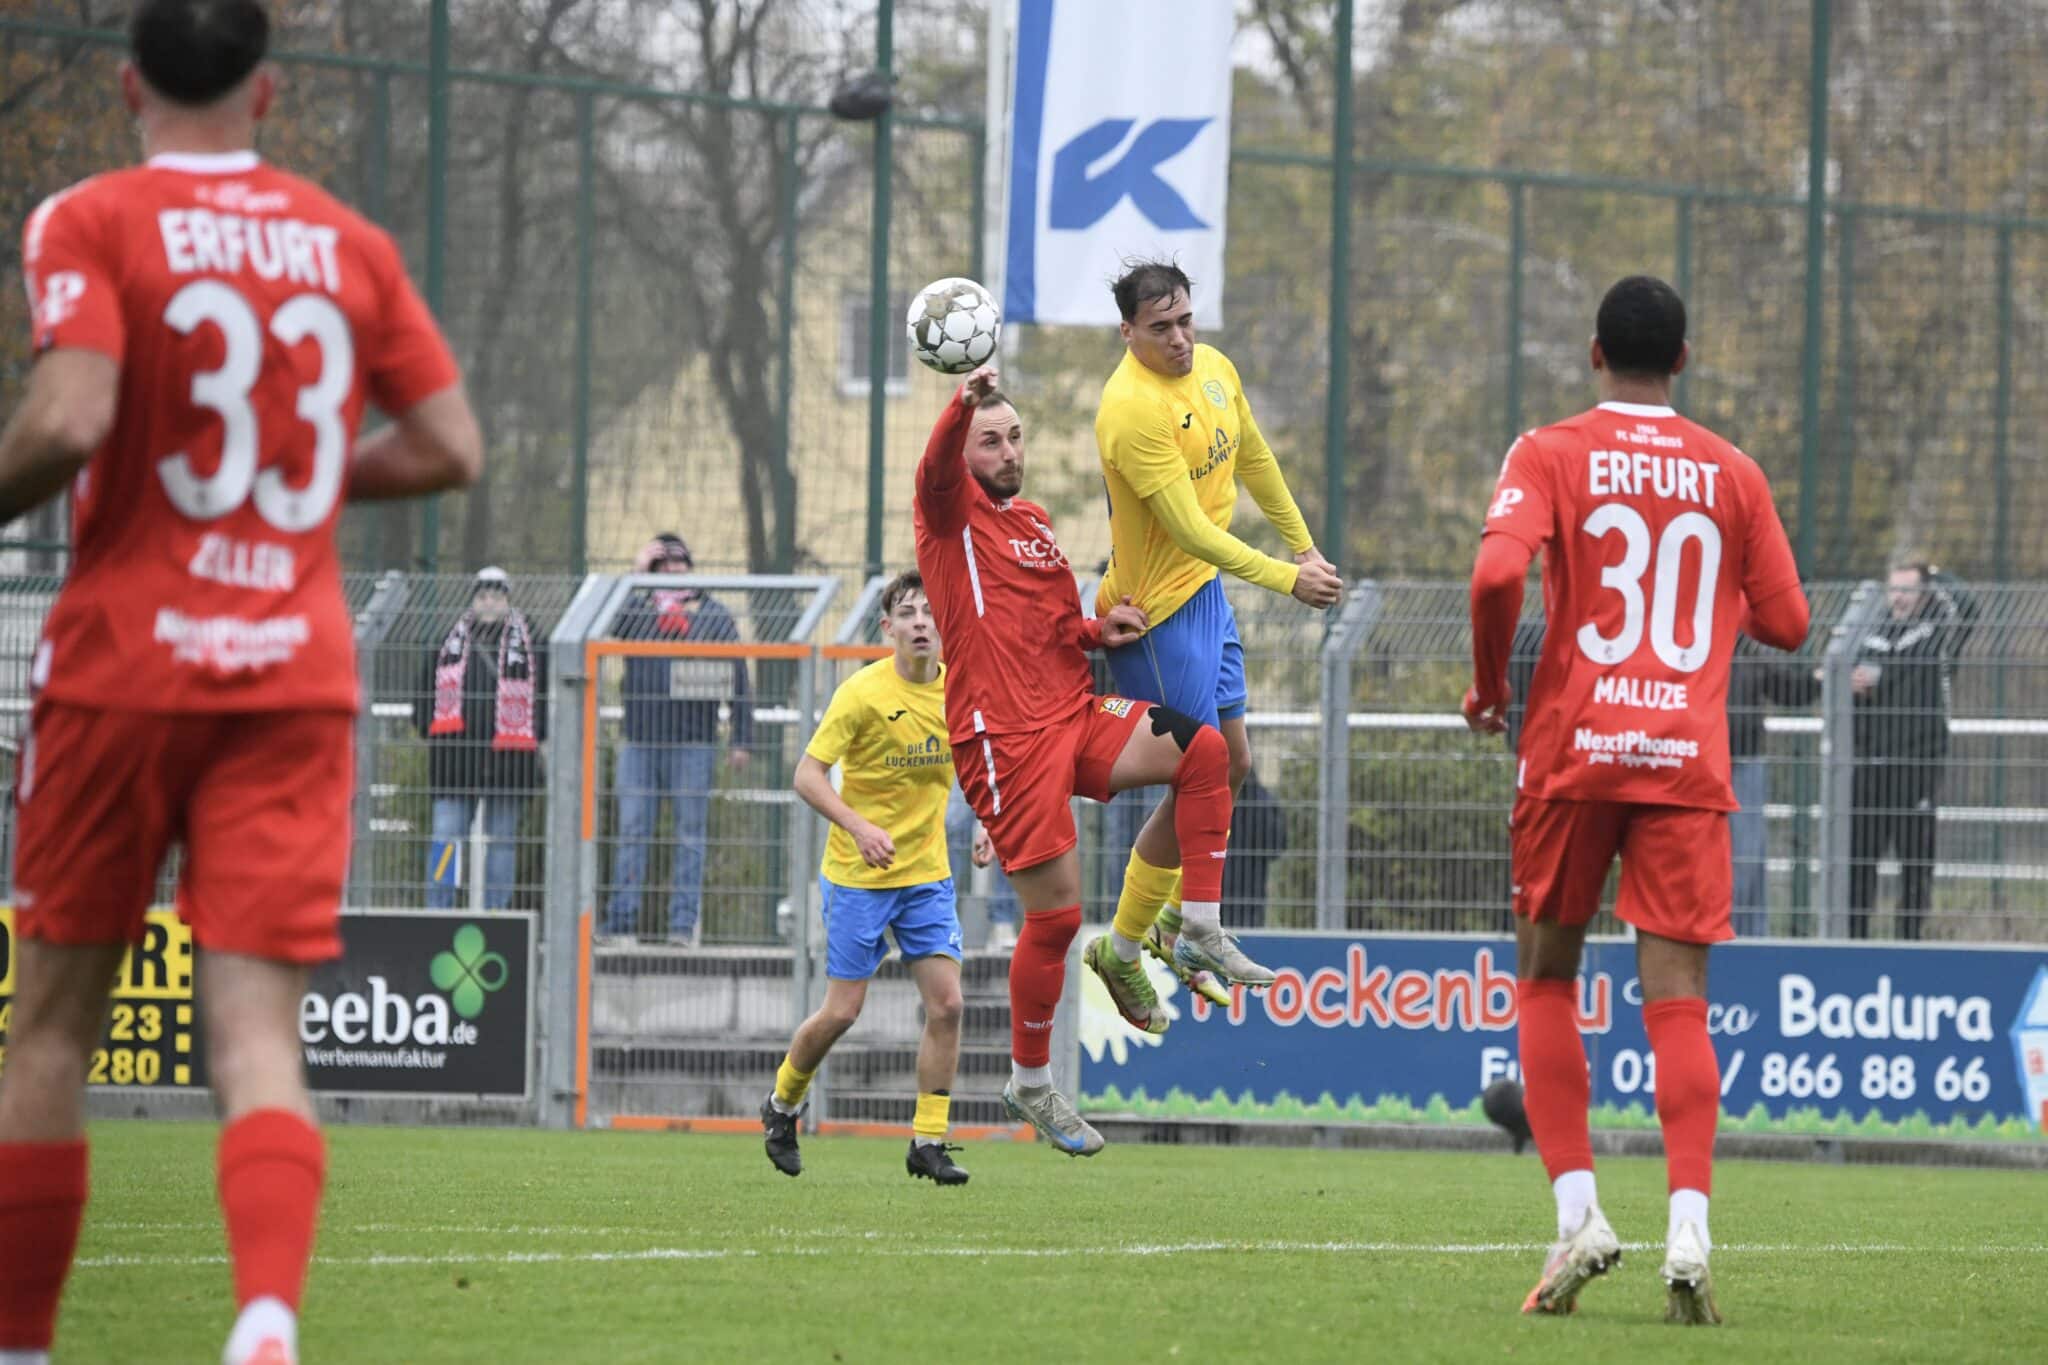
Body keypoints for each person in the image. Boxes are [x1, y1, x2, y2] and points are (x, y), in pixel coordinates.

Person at [0, 5, 481, 1363]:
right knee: (259, 1027)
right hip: (290, 669)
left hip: (122, 665)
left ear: (125, 82)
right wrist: (305, 482)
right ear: (269, 92)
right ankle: (264, 1318)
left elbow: (73, 414)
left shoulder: (89, 218)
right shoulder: (348, 244)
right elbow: (449, 442)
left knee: (51, 1024)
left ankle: (22, 1345)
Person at [1463, 276, 1808, 1325]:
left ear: (1590, 351)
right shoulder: (1731, 471)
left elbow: (1492, 579)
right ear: (1685, 359)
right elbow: (1789, 626)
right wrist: (1705, 612)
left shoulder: (1549, 451)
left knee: (1543, 981)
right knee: (1677, 1005)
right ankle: (1690, 1235)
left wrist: (1489, 687)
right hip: (1682, 763)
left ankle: (1578, 1216)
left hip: (1575, 752)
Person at [914, 365, 1264, 1157]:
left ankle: (1199, 925)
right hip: (1005, 741)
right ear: (963, 451)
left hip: (1073, 712)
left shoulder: (1031, 521)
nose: (1008, 452)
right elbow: (933, 470)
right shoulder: (949, 518)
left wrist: (1091, 632)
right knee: (1059, 918)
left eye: (1015, 437)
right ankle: (1032, 1083)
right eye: (990, 440)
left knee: (1205, 753)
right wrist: (957, 406)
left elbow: (1042, 618)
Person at [1092, 260, 1343, 1004]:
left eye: (1186, 321)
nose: (1179, 339)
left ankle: (1172, 923)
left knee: (1231, 762)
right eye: (1161, 327)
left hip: (1205, 598)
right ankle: (1132, 941)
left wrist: (1304, 546)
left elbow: (1256, 457)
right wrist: (1286, 578)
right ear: (1128, 330)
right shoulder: (1129, 410)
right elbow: (1192, 531)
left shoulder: (1214, 368)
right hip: (1155, 617)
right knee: (1198, 769)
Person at [760, 571, 985, 1185]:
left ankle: (928, 1140)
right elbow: (807, 776)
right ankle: (782, 1105)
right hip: (859, 876)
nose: (920, 624)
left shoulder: (961, 690)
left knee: (948, 1004)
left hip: (926, 876)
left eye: (930, 614)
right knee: (842, 1012)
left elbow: (981, 764)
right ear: (887, 628)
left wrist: (993, 822)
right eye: (908, 614)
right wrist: (859, 827)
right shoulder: (860, 694)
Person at [603, 532, 752, 944]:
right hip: (639, 741)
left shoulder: (712, 613)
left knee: (690, 836)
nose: (670, 570)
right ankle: (621, 925)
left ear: (690, 565)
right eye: (660, 564)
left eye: (677, 562)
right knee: (632, 831)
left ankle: (682, 928)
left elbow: (738, 676)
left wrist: (742, 737)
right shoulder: (638, 609)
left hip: (694, 742)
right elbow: (609, 623)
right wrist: (635, 575)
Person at [1848, 560, 1974, 940]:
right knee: (1859, 860)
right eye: (1894, 589)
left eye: (1908, 590)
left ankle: (1909, 942)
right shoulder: (1868, 631)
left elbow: (1968, 606)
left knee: (1915, 862)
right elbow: (1837, 670)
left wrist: (1935, 574)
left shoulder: (1938, 631)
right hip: (1869, 765)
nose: (1899, 598)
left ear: (1925, 594)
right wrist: (1848, 684)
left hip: (1917, 766)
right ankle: (1852, 940)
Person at [414, 566, 545, 910]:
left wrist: (531, 735)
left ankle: (496, 913)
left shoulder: (533, 642)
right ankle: (438, 910)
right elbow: (422, 698)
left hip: (510, 762)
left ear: (508, 599)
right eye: (483, 595)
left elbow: (546, 699)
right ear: (473, 599)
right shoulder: (448, 641)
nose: (489, 602)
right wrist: (437, 734)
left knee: (502, 842)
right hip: (454, 763)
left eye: (497, 595)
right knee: (446, 839)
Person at [1726, 636, 1819, 936]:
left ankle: (1749, 938)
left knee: (1748, 856)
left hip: (1745, 761)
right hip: (1698, 764)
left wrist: (1821, 677)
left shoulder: (1749, 649)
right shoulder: (1692, 641)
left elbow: (1787, 689)